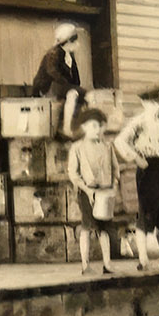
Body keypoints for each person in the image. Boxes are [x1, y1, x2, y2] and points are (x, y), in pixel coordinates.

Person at [114, 84, 159, 270]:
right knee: (146, 214)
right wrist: (136, 158)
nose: (157, 106)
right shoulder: (139, 122)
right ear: (144, 103)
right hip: (149, 169)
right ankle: (143, 259)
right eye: (153, 102)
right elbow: (119, 141)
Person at [66, 108, 120, 274]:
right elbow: (73, 174)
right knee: (87, 227)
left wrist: (113, 188)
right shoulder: (77, 148)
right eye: (94, 126)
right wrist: (87, 191)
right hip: (87, 192)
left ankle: (107, 264)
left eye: (100, 126)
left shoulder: (107, 146)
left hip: (105, 194)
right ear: (84, 127)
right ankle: (85, 265)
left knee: (105, 229)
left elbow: (115, 170)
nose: (98, 130)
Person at [33, 23, 86, 137]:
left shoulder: (70, 56)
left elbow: (76, 78)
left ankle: (76, 125)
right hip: (48, 87)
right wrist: (70, 87)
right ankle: (66, 128)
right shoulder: (53, 54)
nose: (78, 44)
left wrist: (76, 87)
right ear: (67, 42)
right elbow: (52, 72)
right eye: (75, 41)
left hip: (60, 86)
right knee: (73, 93)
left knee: (81, 93)